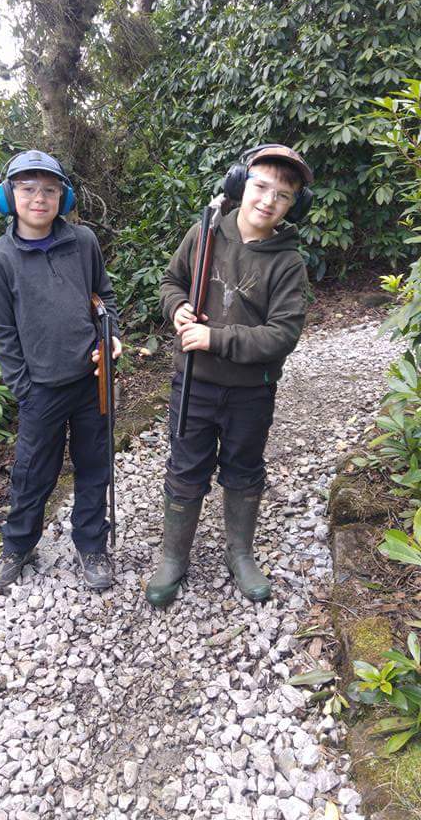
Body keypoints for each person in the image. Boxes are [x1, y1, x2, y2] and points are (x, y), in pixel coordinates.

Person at [145, 144, 313, 608]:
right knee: (186, 467)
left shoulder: (287, 262)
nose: (267, 200)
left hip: (250, 392)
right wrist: (177, 308)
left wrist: (215, 338)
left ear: (293, 204)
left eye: (282, 195)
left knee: (243, 468)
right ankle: (173, 558)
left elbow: (282, 335)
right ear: (241, 184)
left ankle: (240, 553)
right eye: (260, 186)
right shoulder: (203, 234)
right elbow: (170, 282)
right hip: (193, 382)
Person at [0, 150, 121, 590]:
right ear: (8, 196)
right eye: (28, 188)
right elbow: (1, 332)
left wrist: (110, 338)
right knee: (32, 471)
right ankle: (18, 545)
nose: (39, 198)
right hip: (39, 389)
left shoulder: (84, 242)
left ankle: (92, 543)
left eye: (50, 189)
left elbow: (104, 297)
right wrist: (24, 388)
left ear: (64, 196)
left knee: (95, 465)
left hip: (91, 383)